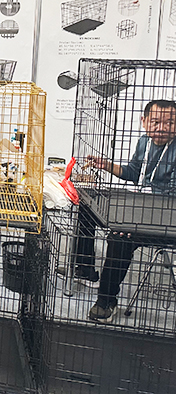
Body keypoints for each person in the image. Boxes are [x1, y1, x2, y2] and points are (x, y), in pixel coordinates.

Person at [75, 99, 176, 323]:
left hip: (167, 219)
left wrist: (134, 220)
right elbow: (133, 172)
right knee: (87, 206)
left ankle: (106, 301)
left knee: (119, 237)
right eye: (156, 122)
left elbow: (171, 198)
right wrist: (106, 165)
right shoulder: (144, 142)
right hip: (142, 206)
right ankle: (86, 269)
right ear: (144, 121)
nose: (162, 127)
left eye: (169, 123)